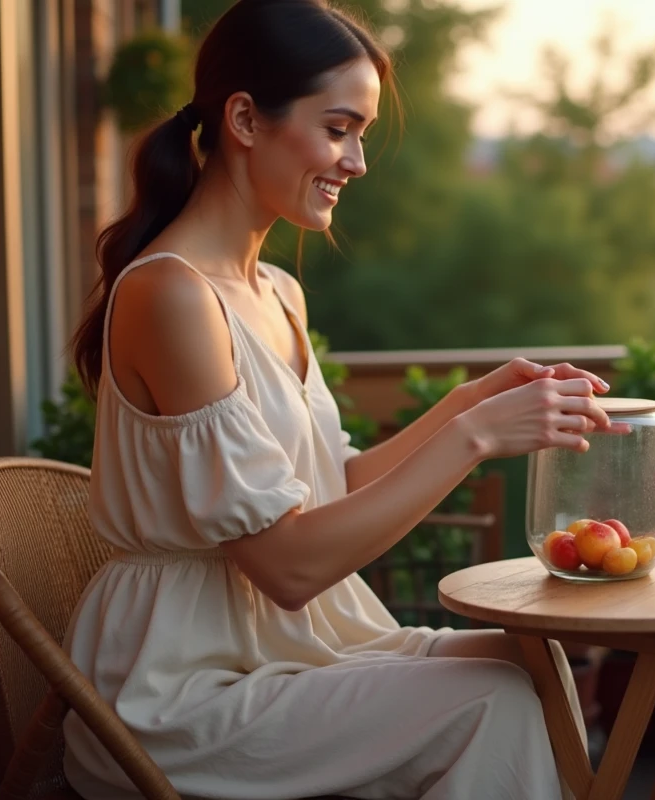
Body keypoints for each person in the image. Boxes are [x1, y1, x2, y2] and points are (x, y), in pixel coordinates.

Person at [61, 1, 619, 798]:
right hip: (181, 688)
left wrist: (466, 405)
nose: (356, 162)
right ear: (244, 120)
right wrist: (475, 440)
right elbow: (287, 566)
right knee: (488, 699)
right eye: (338, 129)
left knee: (532, 660)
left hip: (286, 649)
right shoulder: (172, 295)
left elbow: (329, 487)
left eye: (360, 134)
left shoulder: (276, 292)